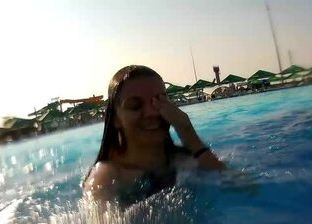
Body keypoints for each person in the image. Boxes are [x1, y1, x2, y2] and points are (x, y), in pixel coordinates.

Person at [83, 65, 225, 205]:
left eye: (158, 101)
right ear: (114, 118)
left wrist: (186, 129)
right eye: (135, 106)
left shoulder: (185, 161)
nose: (151, 113)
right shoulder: (107, 179)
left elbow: (239, 185)